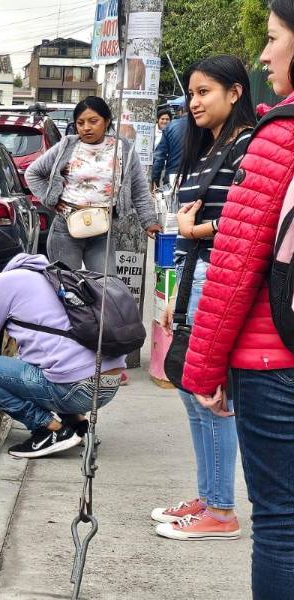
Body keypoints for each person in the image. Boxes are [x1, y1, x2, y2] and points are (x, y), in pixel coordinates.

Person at [183, 3, 294, 596]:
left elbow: (235, 261)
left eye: (274, 39)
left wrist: (201, 367)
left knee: (280, 521)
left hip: (274, 356)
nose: (264, 54)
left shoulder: (280, 135)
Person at [152, 55, 256, 542]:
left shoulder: (248, 146)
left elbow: (252, 218)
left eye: (204, 92)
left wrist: (198, 228)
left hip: (223, 278)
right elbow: (185, 231)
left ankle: (221, 508)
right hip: (196, 277)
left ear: (235, 92)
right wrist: (175, 291)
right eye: (190, 93)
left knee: (212, 395)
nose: (193, 102)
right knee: (192, 391)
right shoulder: (206, 148)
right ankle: (208, 492)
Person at [0, 230, 125, 458]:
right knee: (33, 361)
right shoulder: (49, 272)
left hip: (77, 389)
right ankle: (77, 424)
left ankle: (48, 429)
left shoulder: (0, 283)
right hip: (108, 383)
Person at [25, 95, 162, 274]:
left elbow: (138, 188)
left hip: (102, 230)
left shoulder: (123, 149)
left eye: (93, 121)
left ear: (106, 121)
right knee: (66, 285)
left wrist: (149, 221)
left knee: (105, 288)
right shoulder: (67, 146)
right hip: (65, 228)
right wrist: (50, 199)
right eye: (80, 123)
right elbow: (33, 173)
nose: (86, 127)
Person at [153, 106, 188, 192]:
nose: (165, 121)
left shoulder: (170, 127)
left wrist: (155, 181)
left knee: (171, 203)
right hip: (196, 177)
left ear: (180, 112)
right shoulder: (204, 127)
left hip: (172, 176)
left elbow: (159, 157)